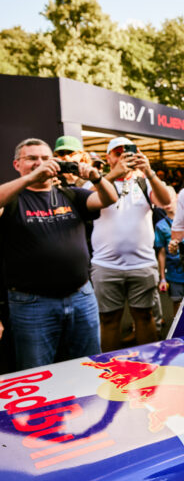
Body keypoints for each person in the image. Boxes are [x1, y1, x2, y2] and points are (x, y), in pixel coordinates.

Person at [0, 138, 119, 369]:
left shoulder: (71, 194)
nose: (40, 163)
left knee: (89, 365)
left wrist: (96, 178)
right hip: (32, 304)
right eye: (32, 158)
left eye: (45, 158)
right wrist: (29, 180)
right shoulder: (13, 198)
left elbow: (109, 199)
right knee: (36, 371)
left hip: (81, 297)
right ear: (17, 164)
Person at [91, 136, 172, 352]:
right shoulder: (97, 182)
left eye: (128, 152)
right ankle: (109, 368)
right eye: (118, 153)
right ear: (108, 158)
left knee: (145, 317)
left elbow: (166, 201)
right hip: (106, 265)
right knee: (108, 320)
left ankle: (149, 367)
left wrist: (150, 172)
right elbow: (84, 199)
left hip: (142, 264)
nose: (123, 157)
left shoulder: (143, 182)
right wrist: (112, 175)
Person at [154, 187, 184, 319]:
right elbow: (161, 252)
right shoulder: (161, 225)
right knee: (177, 304)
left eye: (170, 199)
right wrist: (162, 277)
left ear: (177, 198)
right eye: (164, 201)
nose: (167, 204)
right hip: (174, 272)